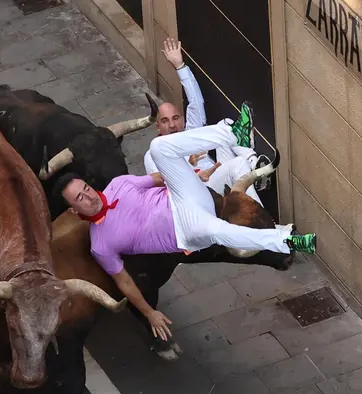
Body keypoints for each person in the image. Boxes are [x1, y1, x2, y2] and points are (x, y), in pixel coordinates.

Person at [56, 103, 316, 358]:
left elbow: (158, 178)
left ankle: (231, 132)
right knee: (218, 231)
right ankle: (286, 241)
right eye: (80, 198)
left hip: (184, 196)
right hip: (185, 228)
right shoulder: (100, 243)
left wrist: (191, 174)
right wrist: (149, 313)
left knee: (159, 147)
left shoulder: (118, 184)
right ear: (75, 211)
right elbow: (124, 281)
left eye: (86, 189)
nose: (88, 197)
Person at [143, 38, 271, 203]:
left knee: (224, 125)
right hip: (200, 193)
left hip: (218, 175)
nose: (172, 125)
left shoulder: (191, 132)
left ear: (182, 119)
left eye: (175, 118)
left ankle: (253, 164)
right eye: (165, 121)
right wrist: (190, 167)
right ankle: (253, 176)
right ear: (158, 126)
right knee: (239, 164)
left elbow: (196, 102)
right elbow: (164, 188)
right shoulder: (153, 154)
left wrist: (179, 66)